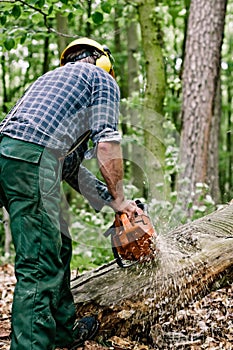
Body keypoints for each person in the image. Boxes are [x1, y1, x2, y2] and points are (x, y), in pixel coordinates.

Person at [0, 37, 139, 350]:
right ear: (102, 61)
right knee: (38, 263)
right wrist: (119, 198)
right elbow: (107, 144)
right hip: (33, 160)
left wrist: (115, 203)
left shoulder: (49, 82)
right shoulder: (100, 78)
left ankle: (63, 331)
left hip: (8, 155)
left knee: (57, 240)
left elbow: (72, 169)